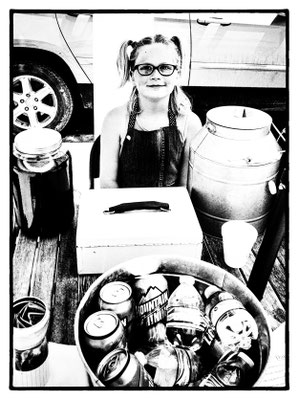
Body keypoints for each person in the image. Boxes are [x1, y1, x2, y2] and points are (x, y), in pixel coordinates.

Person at [99, 34, 202, 188]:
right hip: (124, 207)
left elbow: (185, 188)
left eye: (165, 67)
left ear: (178, 73)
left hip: (171, 208)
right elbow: (108, 183)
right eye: (146, 68)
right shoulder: (114, 119)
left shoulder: (190, 123)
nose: (155, 75)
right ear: (132, 75)